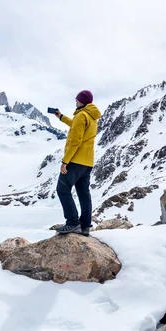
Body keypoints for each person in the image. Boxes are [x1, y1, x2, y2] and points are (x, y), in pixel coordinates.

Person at [53, 90, 101, 235]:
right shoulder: (91, 117)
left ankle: (73, 222)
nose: (75, 101)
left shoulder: (81, 115)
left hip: (75, 160)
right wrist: (60, 117)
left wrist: (65, 161)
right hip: (87, 162)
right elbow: (74, 124)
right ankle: (85, 225)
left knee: (62, 189)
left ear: (81, 101)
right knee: (83, 193)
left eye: (77, 99)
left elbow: (75, 142)